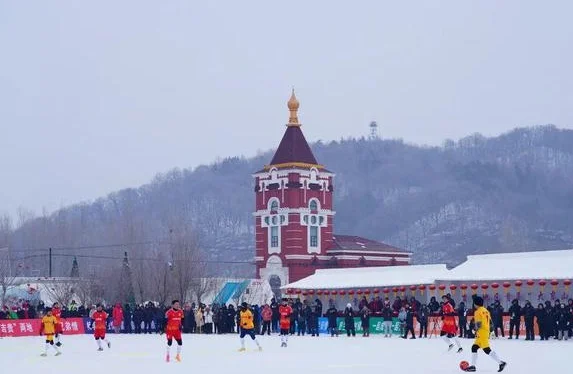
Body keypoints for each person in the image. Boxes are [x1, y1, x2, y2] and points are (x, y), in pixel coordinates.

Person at [462, 295, 507, 372]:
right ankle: (473, 366)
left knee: (487, 349)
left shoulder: (477, 311)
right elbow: (490, 322)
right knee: (474, 347)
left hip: (482, 333)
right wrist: (491, 331)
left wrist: (473, 330)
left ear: (476, 304)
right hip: (484, 332)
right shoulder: (486, 310)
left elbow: (478, 324)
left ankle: (501, 362)